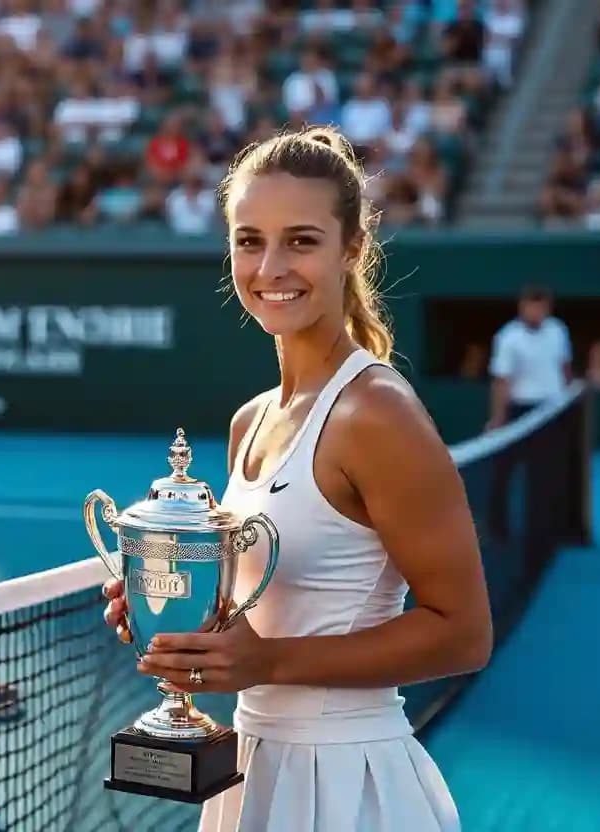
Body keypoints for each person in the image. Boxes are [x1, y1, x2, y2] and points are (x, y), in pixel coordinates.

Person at [103, 127, 490, 831]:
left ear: (352, 250)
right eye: (249, 240)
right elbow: (264, 611)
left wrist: (266, 660)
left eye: (301, 241)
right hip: (252, 768)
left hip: (348, 781)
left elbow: (463, 634)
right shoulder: (251, 420)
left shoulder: (377, 413)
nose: (271, 266)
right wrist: (174, 611)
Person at [486, 284, 572, 431]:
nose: (536, 312)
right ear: (522, 307)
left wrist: (567, 400)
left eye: (541, 308)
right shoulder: (508, 337)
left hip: (553, 406)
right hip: (522, 408)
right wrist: (498, 417)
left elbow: (565, 367)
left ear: (548, 308)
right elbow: (501, 380)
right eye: (532, 307)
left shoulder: (558, 330)